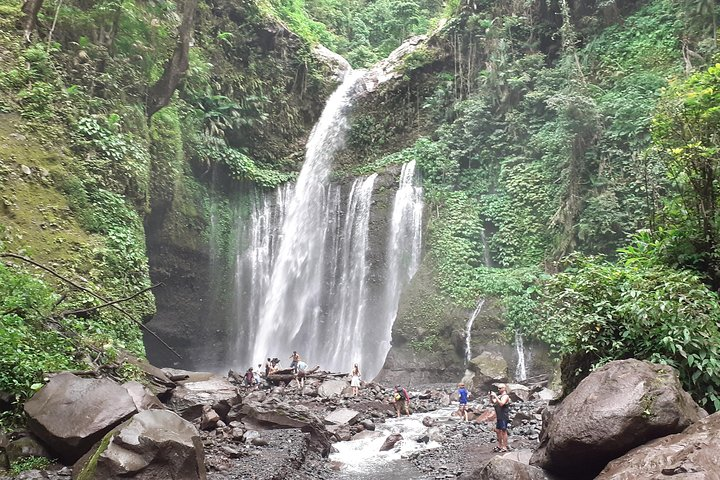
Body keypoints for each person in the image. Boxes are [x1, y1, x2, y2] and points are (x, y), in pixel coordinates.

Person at [490, 383, 511, 452]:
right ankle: (500, 445)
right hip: (499, 416)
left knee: (503, 431)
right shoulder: (499, 396)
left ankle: (504, 446)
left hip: (503, 416)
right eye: (498, 388)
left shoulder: (505, 396)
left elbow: (502, 403)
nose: (498, 389)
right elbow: (493, 402)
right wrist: (490, 397)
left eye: (500, 388)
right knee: (498, 431)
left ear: (504, 388)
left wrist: (495, 396)